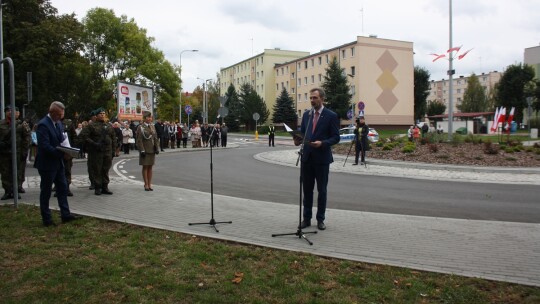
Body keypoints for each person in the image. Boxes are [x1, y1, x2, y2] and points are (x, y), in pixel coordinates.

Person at [293, 88, 340, 231]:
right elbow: (303, 133)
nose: (312, 100)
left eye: (315, 98)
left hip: (322, 159)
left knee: (322, 191)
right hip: (307, 157)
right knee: (307, 190)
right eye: (311, 98)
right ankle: (306, 218)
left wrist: (322, 143)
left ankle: (320, 219)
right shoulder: (307, 115)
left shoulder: (331, 116)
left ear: (322, 99)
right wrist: (297, 140)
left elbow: (336, 137)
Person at [35, 101, 82, 226]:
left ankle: (65, 214)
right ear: (52, 113)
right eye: (59, 114)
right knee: (46, 191)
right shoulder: (43, 125)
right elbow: (44, 146)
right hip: (47, 164)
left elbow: (62, 139)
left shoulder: (59, 123)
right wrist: (62, 154)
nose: (61, 117)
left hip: (58, 163)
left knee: (62, 188)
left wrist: (69, 150)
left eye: (62, 114)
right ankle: (47, 219)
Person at [79, 108, 116, 195]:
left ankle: (105, 186)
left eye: (104, 113)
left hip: (107, 151)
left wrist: (114, 150)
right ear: (96, 116)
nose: (102, 115)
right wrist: (93, 143)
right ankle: (97, 187)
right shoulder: (91, 125)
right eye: (100, 114)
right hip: (97, 151)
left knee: (106, 169)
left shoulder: (109, 125)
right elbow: (83, 136)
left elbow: (113, 138)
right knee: (97, 169)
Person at [0, 106, 30, 200]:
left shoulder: (21, 124)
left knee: (16, 172)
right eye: (7, 111)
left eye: (11, 111)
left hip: (17, 152)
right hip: (4, 153)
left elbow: (27, 138)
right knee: (5, 173)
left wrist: (24, 151)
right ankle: (7, 191)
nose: (9, 112)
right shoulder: (1, 124)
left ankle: (15, 191)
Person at [136, 111, 160, 191]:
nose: (150, 119)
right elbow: (139, 140)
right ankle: (146, 184)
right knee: (145, 167)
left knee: (150, 167)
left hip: (152, 149)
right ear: (144, 118)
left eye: (150, 117)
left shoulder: (152, 126)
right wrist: (142, 150)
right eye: (148, 117)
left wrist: (157, 148)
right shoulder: (141, 127)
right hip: (145, 150)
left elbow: (155, 138)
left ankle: (150, 184)